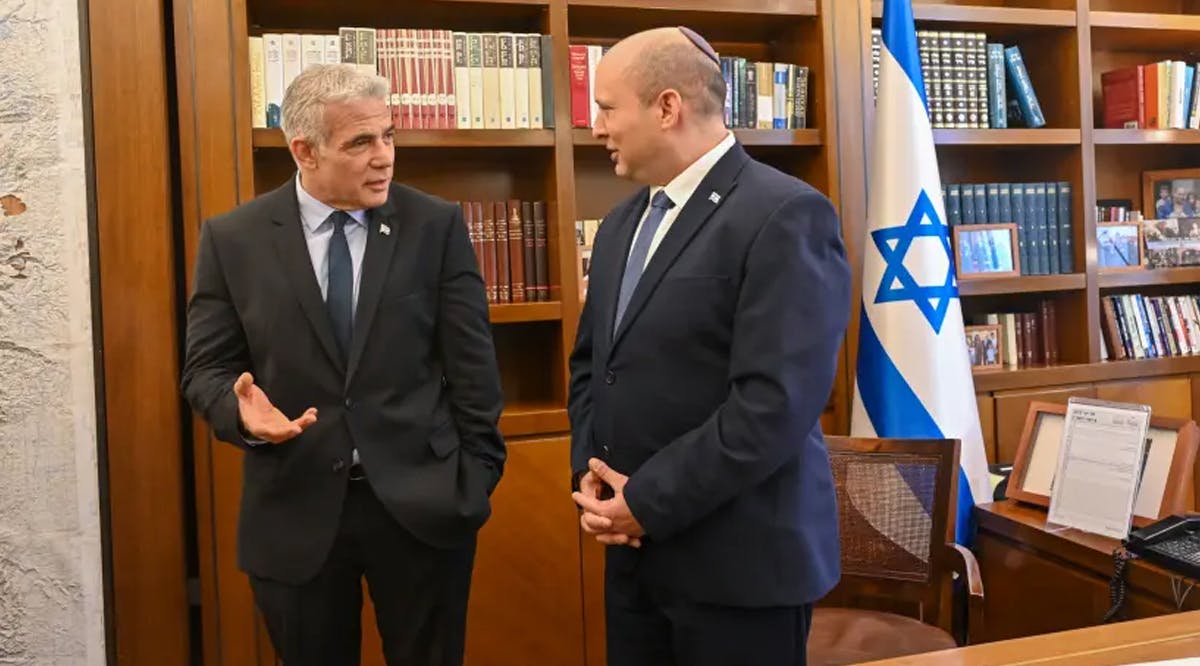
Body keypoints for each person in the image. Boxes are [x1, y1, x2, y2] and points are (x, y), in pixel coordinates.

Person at [181, 63, 504, 666]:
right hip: (295, 510)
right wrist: (242, 415)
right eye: (361, 142)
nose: (384, 157)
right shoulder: (234, 239)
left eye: (388, 136)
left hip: (422, 508)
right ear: (304, 150)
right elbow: (205, 370)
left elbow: (473, 368)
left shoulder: (434, 225)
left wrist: (476, 478)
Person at [567, 27, 851, 666]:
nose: (596, 126)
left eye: (608, 108)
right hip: (635, 559)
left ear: (666, 108)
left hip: (740, 571)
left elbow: (773, 405)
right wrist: (596, 482)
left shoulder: (785, 215)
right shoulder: (618, 225)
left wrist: (647, 500)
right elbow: (593, 366)